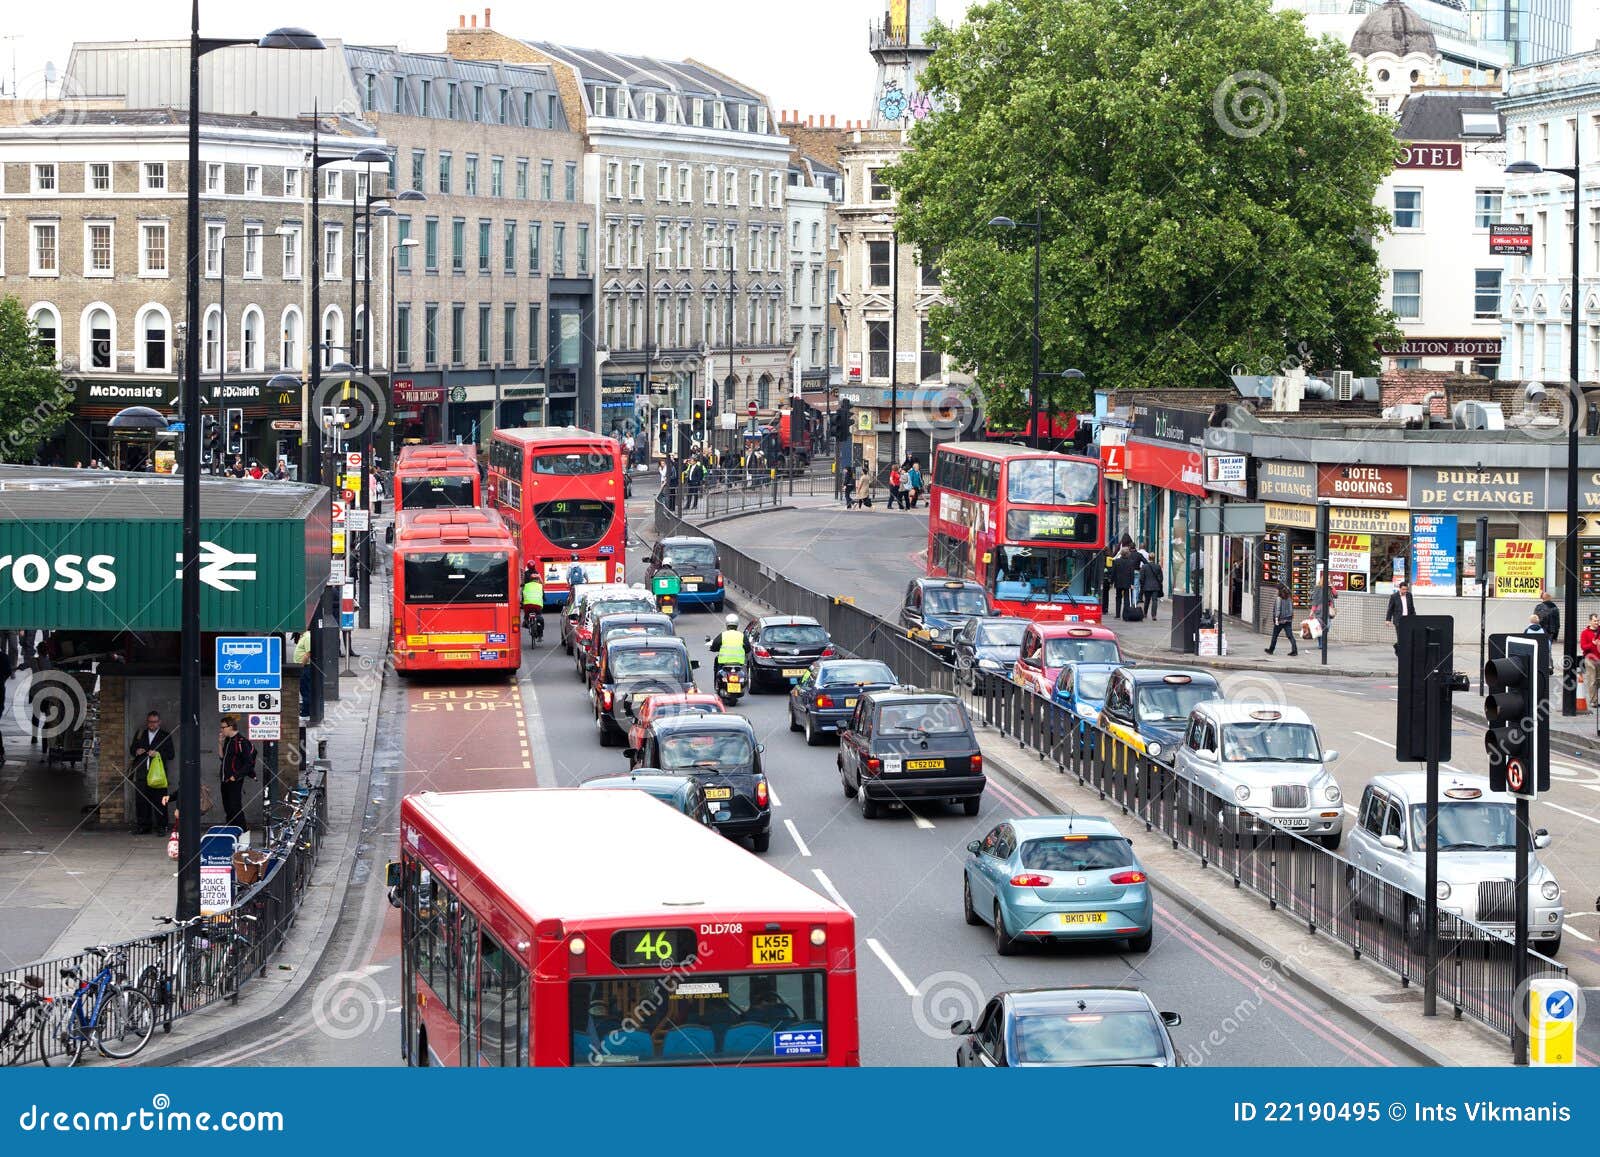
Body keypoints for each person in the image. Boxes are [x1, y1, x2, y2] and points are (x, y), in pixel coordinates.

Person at [129, 710, 175, 835]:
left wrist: (158, 753)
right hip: (142, 773)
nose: (152, 725)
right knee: (142, 801)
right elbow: (132, 749)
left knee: (160, 801)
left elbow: (171, 754)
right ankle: (144, 826)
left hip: (158, 774)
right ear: (147, 722)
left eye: (154, 722)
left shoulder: (165, 735)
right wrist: (136, 751)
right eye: (150, 722)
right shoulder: (140, 734)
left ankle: (162, 826)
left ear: (159, 722)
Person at [217, 715, 256, 833]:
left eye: (223, 727)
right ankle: (231, 830)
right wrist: (220, 743)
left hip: (234, 780)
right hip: (225, 779)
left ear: (231, 727)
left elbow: (249, 763)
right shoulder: (228, 740)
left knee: (235, 807)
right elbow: (222, 758)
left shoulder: (241, 742)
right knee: (228, 807)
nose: (221, 730)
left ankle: (242, 830)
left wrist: (236, 776)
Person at [1264, 583, 1298, 656]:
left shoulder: (1279, 598)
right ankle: (1294, 650)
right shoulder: (1289, 598)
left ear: (1278, 590)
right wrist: (1291, 616)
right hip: (1288, 620)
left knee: (1275, 636)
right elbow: (1291, 609)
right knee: (1290, 636)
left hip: (1280, 620)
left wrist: (1276, 619)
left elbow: (1278, 610)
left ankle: (1271, 650)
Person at [1384, 580, 1416, 655]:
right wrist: (1388, 620)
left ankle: (1397, 646)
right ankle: (1401, 653)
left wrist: (1414, 617)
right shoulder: (1394, 596)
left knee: (1408, 636)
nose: (1405, 591)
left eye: (1406, 589)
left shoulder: (1409, 595)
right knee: (1401, 636)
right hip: (1399, 620)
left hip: (1408, 619)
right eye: (1403, 589)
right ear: (1400, 588)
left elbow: (1412, 607)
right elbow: (1390, 609)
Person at [1580, 612, 1600, 711]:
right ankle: (1594, 701)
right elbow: (1583, 647)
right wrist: (1592, 644)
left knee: (1598, 680)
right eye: (1595, 620)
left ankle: (1595, 697)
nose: (1597, 622)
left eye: (1598, 620)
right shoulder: (1585, 633)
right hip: (1590, 660)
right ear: (1590, 621)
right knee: (1592, 680)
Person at [1111, 546, 1137, 619]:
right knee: (1126, 599)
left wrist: (1112, 581)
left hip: (1118, 582)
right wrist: (1132, 583)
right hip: (1127, 582)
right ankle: (1125, 614)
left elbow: (1113, 572)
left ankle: (1117, 614)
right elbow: (1132, 573)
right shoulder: (1131, 562)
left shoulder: (1116, 561)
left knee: (1118, 598)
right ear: (1128, 553)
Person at [521, 564, 545, 641]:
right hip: (537, 606)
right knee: (540, 618)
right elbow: (543, 594)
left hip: (527, 605)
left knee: (526, 613)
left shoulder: (526, 585)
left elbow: (523, 594)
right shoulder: (540, 586)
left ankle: (526, 622)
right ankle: (540, 636)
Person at [1139, 552, 1164, 621]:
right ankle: (1154, 615)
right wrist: (1159, 583)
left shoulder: (1144, 567)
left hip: (1147, 586)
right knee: (1154, 600)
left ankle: (1145, 613)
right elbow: (1161, 578)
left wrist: (1142, 585)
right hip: (1155, 586)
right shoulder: (1158, 566)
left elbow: (1141, 578)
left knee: (1147, 600)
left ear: (1148, 558)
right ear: (1154, 558)